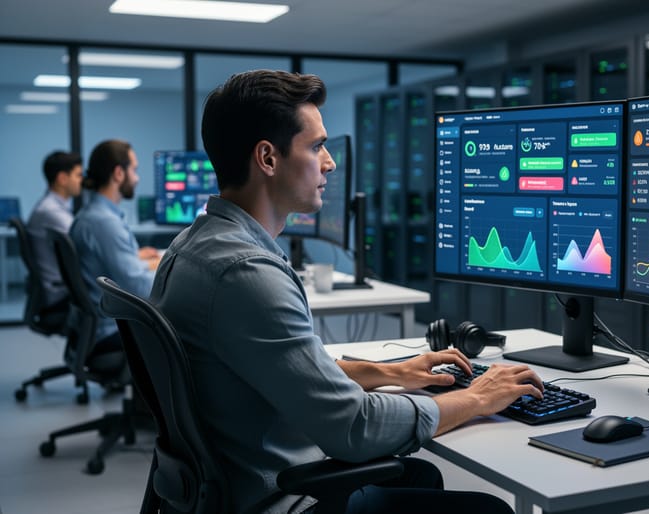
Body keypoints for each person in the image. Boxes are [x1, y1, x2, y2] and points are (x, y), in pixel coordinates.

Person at [151, 70, 544, 514]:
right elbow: (353, 428)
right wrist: (476, 398)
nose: (330, 163)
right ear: (267, 158)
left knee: (421, 475)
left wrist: (396, 372)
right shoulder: (246, 273)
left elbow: (295, 369)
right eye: (316, 147)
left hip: (225, 485)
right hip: (277, 499)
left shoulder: (192, 247)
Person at [70, 139, 160, 350]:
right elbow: (139, 287)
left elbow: (113, 266)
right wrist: (171, 269)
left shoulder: (93, 215)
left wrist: (140, 259)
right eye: (134, 170)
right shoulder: (104, 223)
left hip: (98, 324)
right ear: (119, 173)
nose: (137, 178)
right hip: (114, 329)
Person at [26, 150, 83, 312]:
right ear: (63, 179)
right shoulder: (51, 212)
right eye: (78, 175)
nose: (82, 181)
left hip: (57, 290)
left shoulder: (51, 207)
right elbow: (85, 244)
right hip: (61, 295)